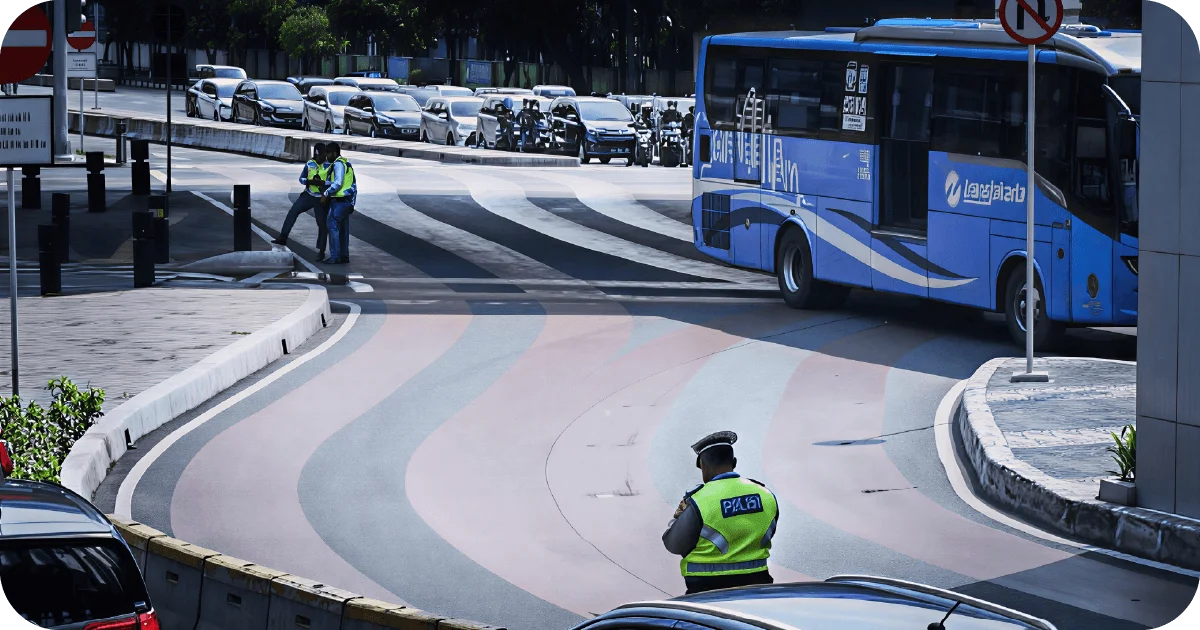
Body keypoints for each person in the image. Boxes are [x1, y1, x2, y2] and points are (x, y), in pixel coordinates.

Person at [662, 431, 779, 594]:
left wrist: (677, 519)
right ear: (734, 462)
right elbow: (769, 531)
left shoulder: (699, 500)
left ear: (703, 465)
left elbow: (673, 544)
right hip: (758, 584)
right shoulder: (765, 494)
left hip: (707, 589)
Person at [273, 143, 330, 259]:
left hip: (321, 198)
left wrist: (322, 184)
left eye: (320, 156)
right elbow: (301, 179)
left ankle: (321, 251)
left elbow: (332, 182)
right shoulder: (310, 163)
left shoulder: (329, 166)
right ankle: (283, 237)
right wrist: (309, 181)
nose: (318, 158)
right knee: (293, 211)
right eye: (317, 156)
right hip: (308, 195)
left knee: (322, 224)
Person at [321, 142, 356, 264]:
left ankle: (334, 256)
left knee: (332, 225)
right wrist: (352, 203)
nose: (326, 157)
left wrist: (326, 194)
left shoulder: (338, 165)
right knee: (343, 229)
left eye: (328, 154)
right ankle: (344, 256)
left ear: (334, 153)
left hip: (339, 200)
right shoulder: (347, 164)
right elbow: (353, 185)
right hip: (346, 200)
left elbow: (337, 183)